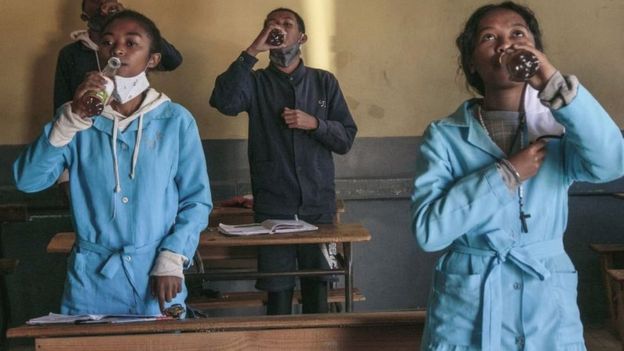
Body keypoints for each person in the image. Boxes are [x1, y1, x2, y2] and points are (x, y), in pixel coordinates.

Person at [410, 2, 624, 350]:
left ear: (535, 51)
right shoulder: (444, 136)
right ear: (472, 63)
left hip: (546, 301)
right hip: (469, 307)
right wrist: (505, 175)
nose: (505, 45)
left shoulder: (560, 129)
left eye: (518, 34)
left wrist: (555, 84)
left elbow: (612, 163)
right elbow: (429, 233)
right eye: (488, 37)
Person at [14, 10, 211, 315]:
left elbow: (196, 201)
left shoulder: (175, 120)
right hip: (91, 280)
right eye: (107, 43)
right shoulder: (77, 118)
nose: (117, 49)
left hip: (156, 276)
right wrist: (70, 120)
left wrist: (173, 257)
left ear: (153, 59)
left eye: (131, 43)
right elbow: (28, 181)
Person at [209, 8, 357, 315]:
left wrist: (315, 123)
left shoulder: (324, 81)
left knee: (318, 288)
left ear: (301, 37)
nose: (277, 29)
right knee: (277, 291)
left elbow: (345, 139)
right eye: (270, 25)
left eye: (286, 24)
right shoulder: (255, 82)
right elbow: (223, 102)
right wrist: (251, 51)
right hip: (273, 207)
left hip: (318, 206)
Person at [53, 0, 183, 112]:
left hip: (134, 119)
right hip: (87, 126)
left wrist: (127, 19)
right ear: (84, 16)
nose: (102, 4)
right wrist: (72, 121)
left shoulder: (136, 48)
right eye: (94, 0)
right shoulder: (70, 53)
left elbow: (173, 61)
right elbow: (61, 103)